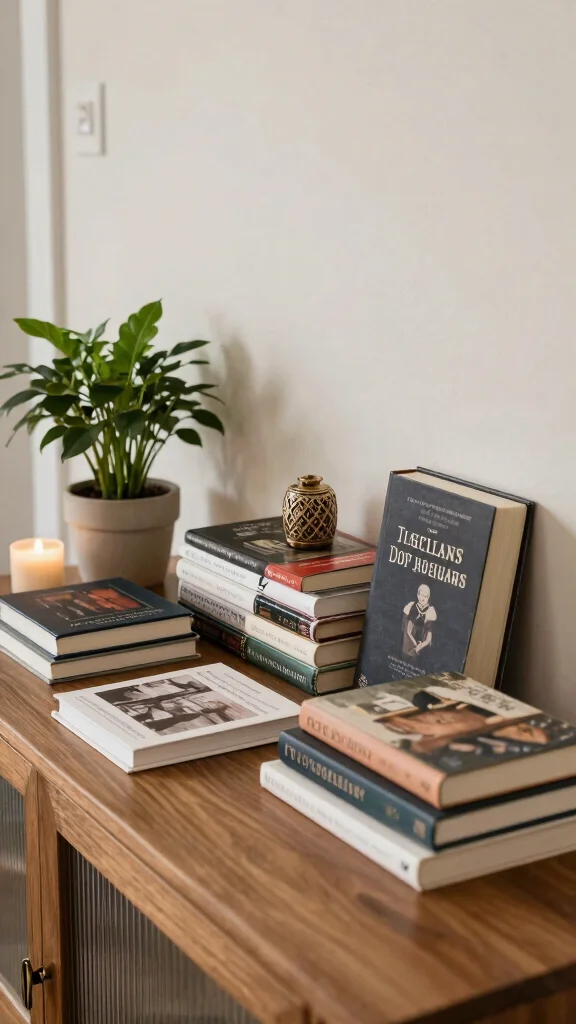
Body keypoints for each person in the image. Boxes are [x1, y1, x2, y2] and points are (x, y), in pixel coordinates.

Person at [402, 584, 437, 660]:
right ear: (418, 595)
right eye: (422, 595)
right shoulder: (412, 607)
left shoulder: (431, 612)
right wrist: (415, 645)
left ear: (428, 597)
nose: (423, 598)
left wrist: (419, 647)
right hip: (409, 643)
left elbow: (428, 639)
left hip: (421, 647)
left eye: (426, 596)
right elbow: (408, 631)